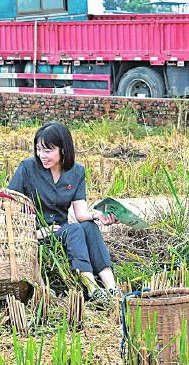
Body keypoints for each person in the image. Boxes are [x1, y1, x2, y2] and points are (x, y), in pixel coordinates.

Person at [8, 122, 118, 308]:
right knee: (74, 229)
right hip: (38, 234)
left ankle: (112, 287)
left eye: (48, 150)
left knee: (89, 226)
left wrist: (98, 215)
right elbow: (8, 207)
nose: (42, 155)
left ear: (63, 149)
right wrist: (35, 233)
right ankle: (92, 288)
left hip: (61, 231)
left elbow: (81, 214)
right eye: (39, 149)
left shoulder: (77, 171)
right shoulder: (27, 168)